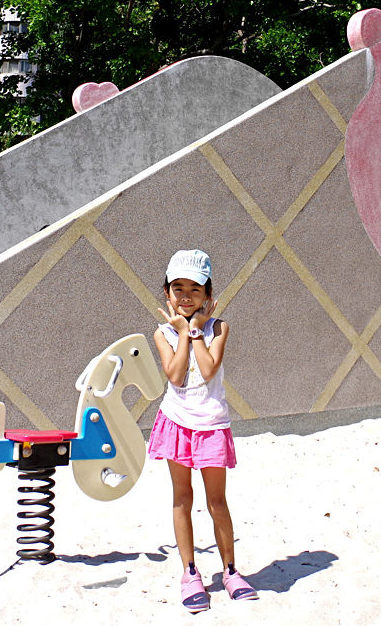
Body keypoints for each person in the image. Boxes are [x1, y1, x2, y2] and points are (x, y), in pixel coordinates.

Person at [149, 249, 258, 612]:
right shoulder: (162, 333)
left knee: (217, 501)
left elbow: (208, 369)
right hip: (177, 423)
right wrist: (181, 332)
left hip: (211, 425)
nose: (185, 295)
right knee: (182, 498)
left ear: (208, 295)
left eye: (194, 288)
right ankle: (190, 572)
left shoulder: (219, 327)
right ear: (166, 293)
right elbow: (176, 376)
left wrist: (195, 330)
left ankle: (230, 571)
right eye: (177, 287)